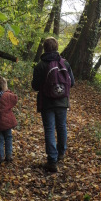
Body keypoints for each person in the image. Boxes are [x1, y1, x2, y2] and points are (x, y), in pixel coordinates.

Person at [32, 37, 74, 172]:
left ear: (44, 48)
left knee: (49, 129)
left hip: (47, 102)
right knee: (61, 126)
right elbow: (72, 83)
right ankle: (61, 152)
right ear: (56, 48)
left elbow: (35, 86)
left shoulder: (40, 65)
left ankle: (52, 160)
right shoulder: (65, 63)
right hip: (62, 101)